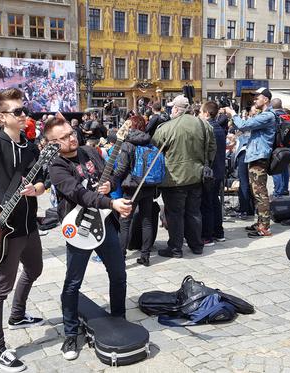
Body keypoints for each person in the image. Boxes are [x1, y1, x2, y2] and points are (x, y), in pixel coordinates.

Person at [45, 116, 132, 361]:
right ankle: (71, 333)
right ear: (52, 143)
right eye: (63, 138)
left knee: (118, 274)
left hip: (105, 222)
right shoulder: (57, 166)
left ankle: (119, 318)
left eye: (71, 133)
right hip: (80, 226)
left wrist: (109, 185)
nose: (71, 139)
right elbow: (79, 193)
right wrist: (111, 202)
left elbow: (112, 174)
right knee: (73, 283)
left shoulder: (89, 151)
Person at [0, 88, 46, 372]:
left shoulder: (31, 147)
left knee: (35, 269)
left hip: (29, 226)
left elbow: (42, 182)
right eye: (17, 112)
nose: (23, 115)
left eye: (23, 110)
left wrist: (36, 189)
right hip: (4, 229)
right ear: (2, 117)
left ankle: (17, 315)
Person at [151, 94, 207, 258]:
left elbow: (155, 149)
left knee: (175, 214)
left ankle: (175, 248)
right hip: (196, 176)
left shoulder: (167, 127)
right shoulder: (202, 125)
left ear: (176, 109)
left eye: (171, 108)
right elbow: (211, 148)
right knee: (194, 212)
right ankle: (196, 245)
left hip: (174, 179)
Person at [221, 87, 277, 238]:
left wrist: (233, 114)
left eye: (257, 97)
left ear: (266, 99)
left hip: (259, 157)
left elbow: (244, 125)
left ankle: (264, 227)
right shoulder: (263, 115)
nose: (254, 99)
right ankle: (260, 222)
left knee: (260, 193)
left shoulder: (268, 116)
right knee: (256, 191)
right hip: (255, 156)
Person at [113, 116, 156, 266]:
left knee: (125, 222)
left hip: (131, 187)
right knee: (147, 221)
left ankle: (120, 257)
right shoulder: (150, 141)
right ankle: (145, 256)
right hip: (148, 185)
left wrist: (111, 179)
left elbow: (122, 168)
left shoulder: (128, 144)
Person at [199, 101, 226, 246]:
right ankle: (218, 232)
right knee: (215, 203)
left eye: (201, 112)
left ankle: (207, 236)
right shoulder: (219, 128)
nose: (199, 115)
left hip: (211, 173)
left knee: (207, 204)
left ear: (207, 113)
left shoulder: (208, 128)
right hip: (219, 171)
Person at [270, 99, 290, 198]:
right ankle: (285, 189)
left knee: (276, 168)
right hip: (287, 146)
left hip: (276, 146)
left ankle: (277, 191)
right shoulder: (288, 117)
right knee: (285, 168)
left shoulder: (274, 116)